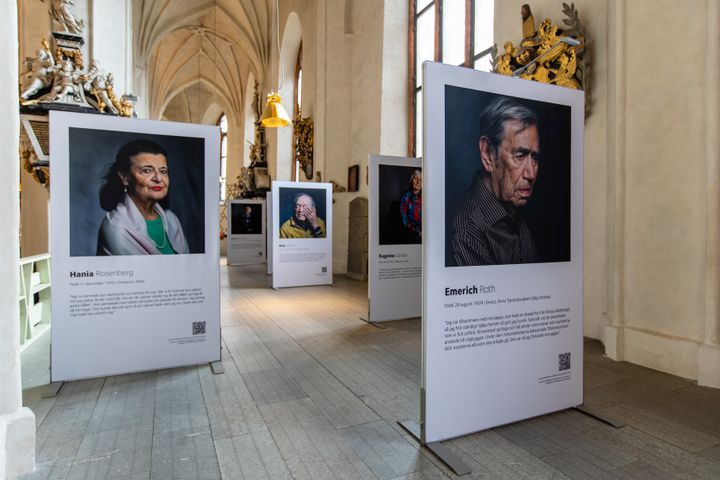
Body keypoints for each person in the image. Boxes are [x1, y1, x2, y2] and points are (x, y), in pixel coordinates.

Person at [449, 97, 540, 266]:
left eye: (534, 157)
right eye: (520, 156)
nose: (531, 173)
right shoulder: (468, 231)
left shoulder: (515, 209)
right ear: (487, 154)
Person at [96, 139, 189, 255]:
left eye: (163, 171)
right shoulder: (116, 227)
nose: (158, 178)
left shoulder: (171, 219)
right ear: (125, 177)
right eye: (147, 170)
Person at [399, 169, 422, 243]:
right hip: (411, 234)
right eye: (416, 179)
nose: (418, 182)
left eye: (421, 180)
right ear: (411, 180)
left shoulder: (427, 197)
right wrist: (417, 231)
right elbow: (404, 218)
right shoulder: (405, 197)